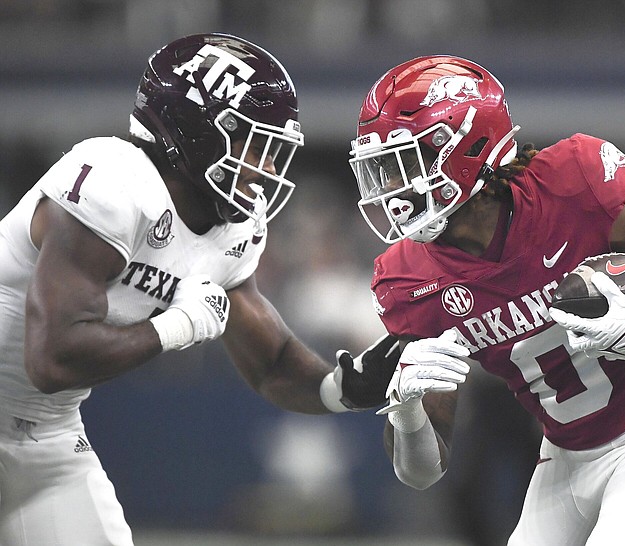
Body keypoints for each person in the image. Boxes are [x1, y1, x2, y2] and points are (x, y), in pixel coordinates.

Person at [0, 33, 398, 546]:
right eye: (257, 145)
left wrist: (345, 388)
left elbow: (272, 363)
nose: (270, 169)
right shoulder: (113, 180)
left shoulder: (233, 232)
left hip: (47, 437)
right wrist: (177, 326)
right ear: (197, 131)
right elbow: (52, 361)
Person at [348, 55, 625, 545]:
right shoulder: (407, 280)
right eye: (381, 169)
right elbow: (422, 473)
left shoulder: (569, 183)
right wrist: (406, 410)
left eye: (402, 164)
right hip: (561, 462)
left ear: (465, 149)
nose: (390, 188)